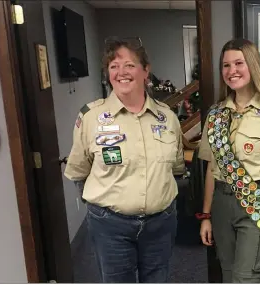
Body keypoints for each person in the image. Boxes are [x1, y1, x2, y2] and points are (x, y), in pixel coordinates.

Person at [64, 37, 185, 283]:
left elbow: (176, 169)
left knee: (157, 279)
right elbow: (79, 173)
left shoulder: (167, 117)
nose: (121, 73)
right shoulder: (91, 117)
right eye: (113, 66)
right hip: (110, 225)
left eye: (129, 65)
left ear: (145, 70)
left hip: (160, 223)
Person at [196, 38, 260, 283]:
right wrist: (206, 216)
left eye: (239, 63)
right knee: (229, 275)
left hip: (258, 201)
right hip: (221, 203)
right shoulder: (216, 115)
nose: (232, 71)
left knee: (249, 278)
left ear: (253, 66)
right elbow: (212, 168)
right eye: (226, 65)